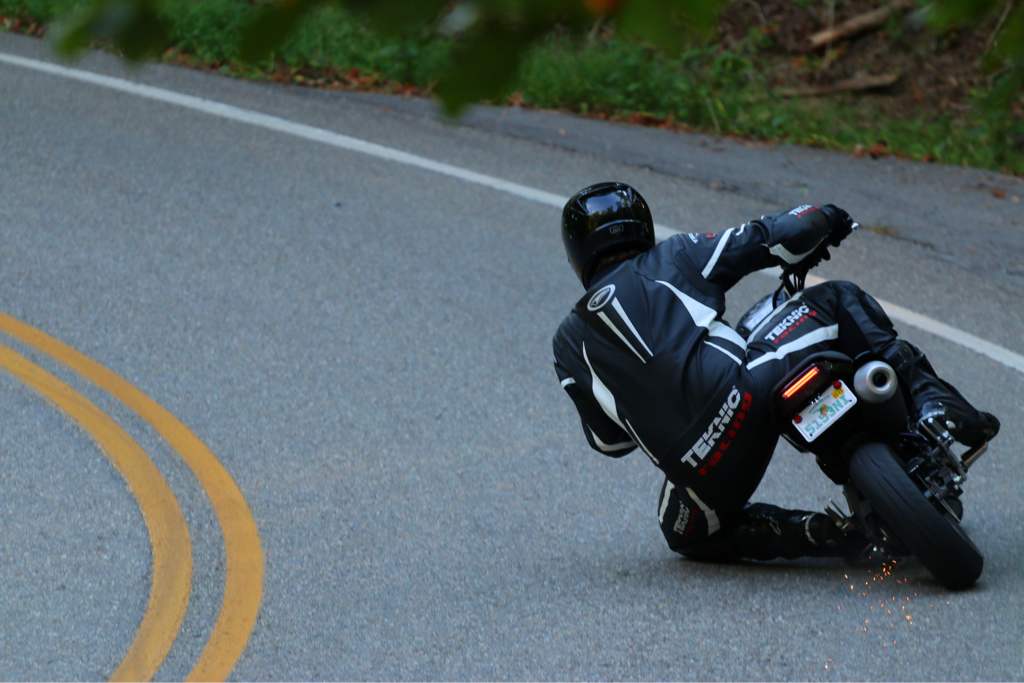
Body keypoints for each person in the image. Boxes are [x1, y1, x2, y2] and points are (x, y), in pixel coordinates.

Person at [552, 181, 1000, 562]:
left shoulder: (567, 343)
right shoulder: (671, 257)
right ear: (642, 227)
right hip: (748, 393)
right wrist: (827, 217)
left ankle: (822, 533)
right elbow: (774, 233)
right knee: (838, 297)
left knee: (684, 532)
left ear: (577, 254)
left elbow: (610, 442)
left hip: (702, 470)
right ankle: (933, 403)